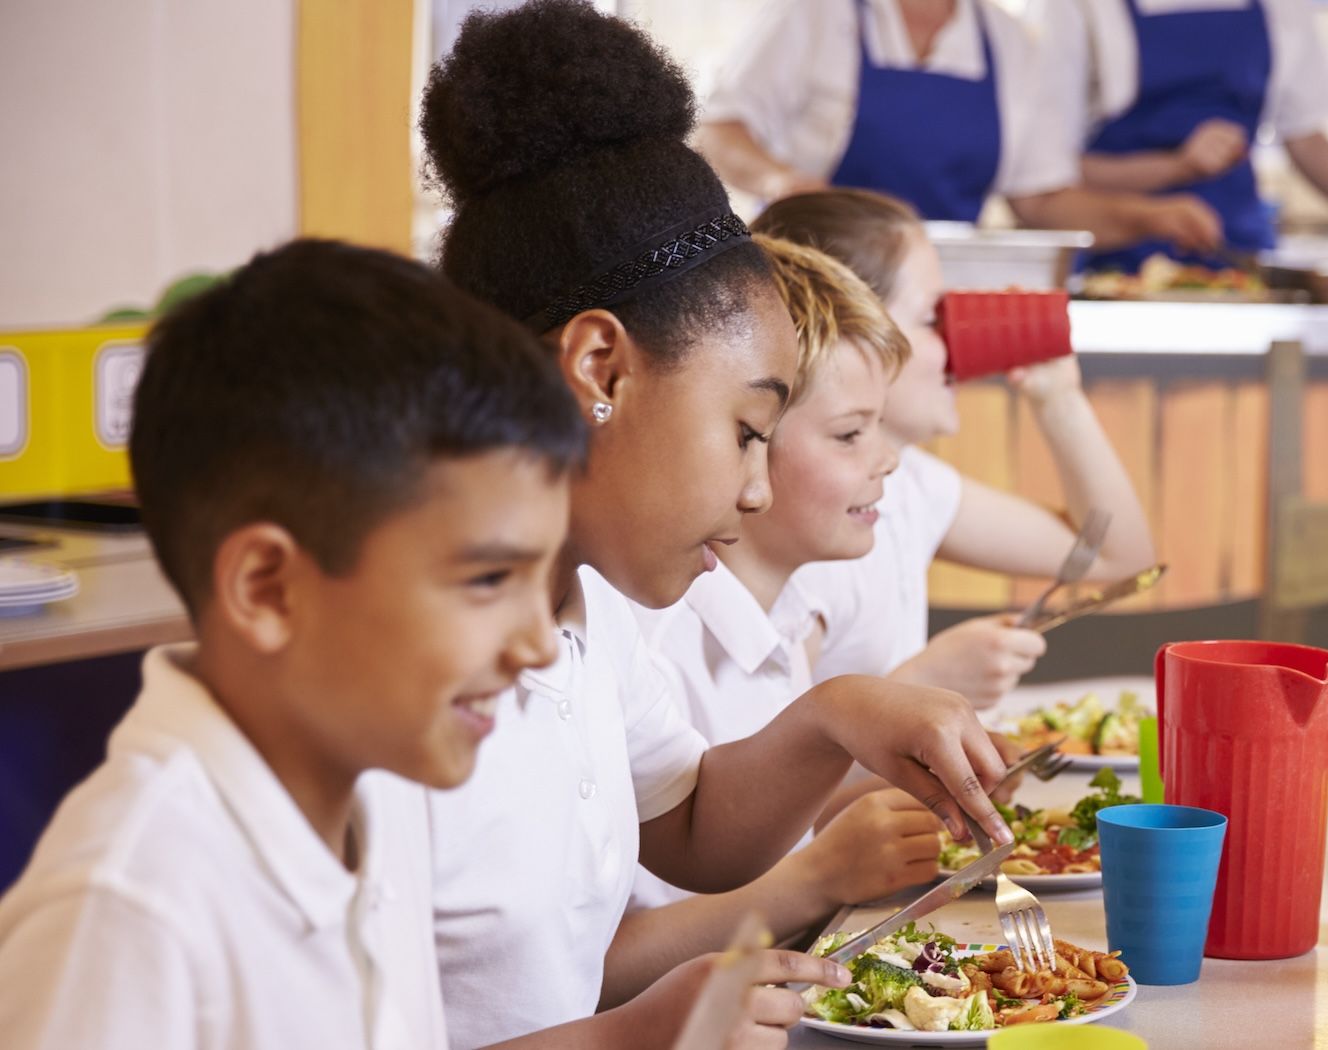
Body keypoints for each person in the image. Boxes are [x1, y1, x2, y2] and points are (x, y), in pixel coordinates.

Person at [417, 4, 1009, 1046]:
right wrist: (631, 1036)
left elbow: (690, 824)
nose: (757, 489)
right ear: (599, 370)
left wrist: (836, 714)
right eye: (745, 432)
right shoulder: (399, 685)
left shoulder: (587, 608)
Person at [0, 240, 581, 1048]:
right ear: (268, 590)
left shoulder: (371, 805)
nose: (540, 646)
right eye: (488, 580)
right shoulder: (131, 910)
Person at [624, 237, 944, 933]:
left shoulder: (787, 619)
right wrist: (822, 873)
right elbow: (616, 946)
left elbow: (768, 844)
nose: (888, 460)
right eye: (850, 434)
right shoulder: (652, 642)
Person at [753, 189, 1157, 704]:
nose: (957, 340)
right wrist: (925, 683)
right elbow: (766, 750)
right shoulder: (803, 530)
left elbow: (1117, 557)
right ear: (855, 328)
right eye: (932, 318)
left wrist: (1060, 400)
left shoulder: (908, 483)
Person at [695, 0, 1222, 255]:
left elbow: (1041, 200)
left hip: (937, 302)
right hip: (812, 283)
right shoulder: (813, 15)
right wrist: (780, 180)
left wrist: (1150, 216)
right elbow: (718, 132)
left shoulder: (1009, 43)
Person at [1031, 0, 1328, 271]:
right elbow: (1048, 176)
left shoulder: (1280, 8)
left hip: (1239, 260)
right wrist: (1175, 168)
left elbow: (1305, 136)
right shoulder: (1083, 7)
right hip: (1112, 264)